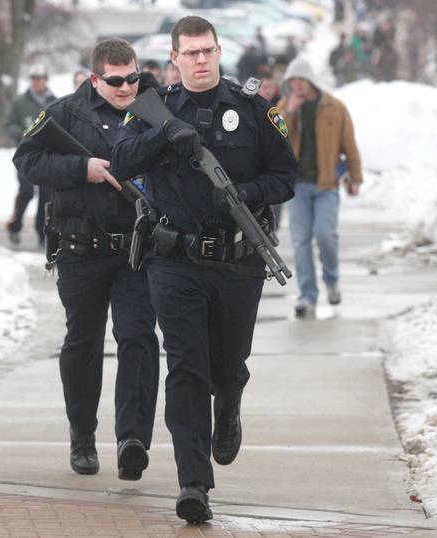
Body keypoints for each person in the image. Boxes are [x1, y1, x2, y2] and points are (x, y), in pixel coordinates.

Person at [111, 16, 296, 523]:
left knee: (227, 367)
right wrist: (167, 134)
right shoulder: (156, 112)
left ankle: (230, 404)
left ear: (219, 53)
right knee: (186, 369)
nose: (200, 60)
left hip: (238, 262)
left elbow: (286, 177)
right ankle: (193, 483)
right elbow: (121, 161)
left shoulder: (254, 110)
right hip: (174, 262)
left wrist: (242, 196)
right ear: (174, 58)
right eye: (189, 53)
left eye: (207, 51)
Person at [13, 38, 161, 482]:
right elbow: (27, 159)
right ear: (95, 79)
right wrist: (82, 169)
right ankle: (82, 434)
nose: (125, 87)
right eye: (115, 81)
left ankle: (132, 438)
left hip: (136, 250)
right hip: (81, 250)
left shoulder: (155, 110)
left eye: (132, 78)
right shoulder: (64, 113)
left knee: (138, 338)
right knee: (83, 343)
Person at [278, 57, 362, 318]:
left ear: (311, 81)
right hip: (297, 187)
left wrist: (355, 177)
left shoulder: (334, 108)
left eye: (301, 80)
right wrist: (290, 111)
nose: (298, 86)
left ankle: (332, 280)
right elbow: (276, 139)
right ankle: (307, 296)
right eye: (293, 82)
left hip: (326, 185)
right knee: (301, 241)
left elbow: (349, 143)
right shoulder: (284, 107)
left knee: (325, 235)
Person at [4, 64, 57, 245]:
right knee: (26, 191)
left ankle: (43, 233)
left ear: (45, 79)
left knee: (46, 195)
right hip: (26, 153)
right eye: (33, 78)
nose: (36, 82)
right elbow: (9, 123)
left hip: (47, 154)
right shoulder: (20, 101)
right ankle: (15, 225)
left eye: (39, 78)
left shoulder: (54, 100)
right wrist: (21, 133)